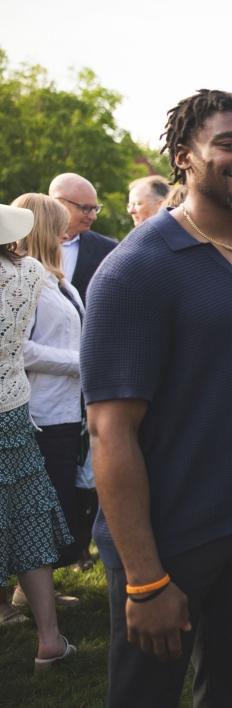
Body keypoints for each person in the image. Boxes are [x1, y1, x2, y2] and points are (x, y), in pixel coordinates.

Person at [83, 90, 232, 707]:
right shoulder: (136, 270)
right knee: (145, 697)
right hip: (170, 537)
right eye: (227, 144)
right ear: (184, 157)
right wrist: (146, 581)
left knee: (231, 694)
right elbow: (108, 433)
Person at [0, 201, 77, 669]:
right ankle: (49, 637)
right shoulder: (28, 272)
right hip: (12, 408)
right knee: (27, 516)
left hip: (20, 406)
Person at [10, 194, 86, 613]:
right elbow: (17, 349)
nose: (67, 232)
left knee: (53, 504)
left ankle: (35, 589)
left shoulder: (58, 280)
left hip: (63, 412)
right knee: (30, 510)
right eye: (60, 224)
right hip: (36, 412)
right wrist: (80, 364)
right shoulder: (23, 282)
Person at [48, 172, 118, 302]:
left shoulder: (108, 251)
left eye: (95, 209)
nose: (93, 216)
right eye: (85, 208)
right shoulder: (24, 244)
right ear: (58, 203)